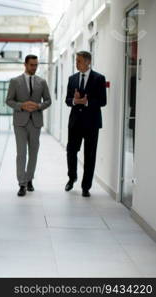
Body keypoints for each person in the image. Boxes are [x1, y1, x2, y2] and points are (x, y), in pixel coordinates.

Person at [6, 54, 52, 197]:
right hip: (20, 122)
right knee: (21, 154)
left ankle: (29, 178)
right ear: (25, 65)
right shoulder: (15, 81)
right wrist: (22, 105)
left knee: (33, 153)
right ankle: (22, 183)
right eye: (32, 65)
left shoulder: (42, 82)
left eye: (36, 65)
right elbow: (9, 101)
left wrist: (38, 106)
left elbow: (48, 100)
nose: (34, 67)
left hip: (36, 122)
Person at [64, 51, 107, 197]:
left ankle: (86, 186)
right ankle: (72, 177)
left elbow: (103, 101)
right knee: (71, 151)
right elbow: (67, 100)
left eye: (79, 61)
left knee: (90, 155)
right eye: (76, 61)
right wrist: (75, 101)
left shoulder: (99, 79)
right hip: (75, 122)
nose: (77, 63)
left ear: (88, 62)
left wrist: (87, 102)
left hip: (91, 123)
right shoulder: (72, 79)